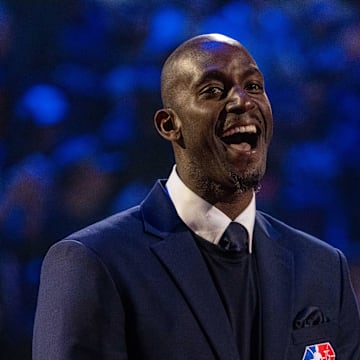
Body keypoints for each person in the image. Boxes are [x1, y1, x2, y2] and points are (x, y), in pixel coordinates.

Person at [32, 33, 360, 360]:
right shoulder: (93, 262)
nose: (243, 102)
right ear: (168, 124)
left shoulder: (323, 267)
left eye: (255, 87)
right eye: (213, 91)